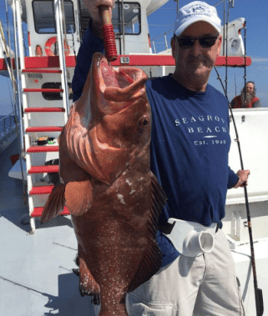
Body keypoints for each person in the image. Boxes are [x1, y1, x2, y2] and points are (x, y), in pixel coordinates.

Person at [72, 1, 250, 315]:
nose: (197, 49)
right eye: (187, 41)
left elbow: (205, 157)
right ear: (173, 46)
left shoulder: (220, 103)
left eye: (206, 40)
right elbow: (89, 89)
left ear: (218, 45)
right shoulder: (147, 95)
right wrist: (100, 28)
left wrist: (233, 178)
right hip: (165, 251)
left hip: (216, 243)